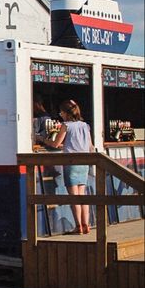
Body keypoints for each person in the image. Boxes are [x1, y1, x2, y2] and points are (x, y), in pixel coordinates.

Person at [44, 99, 92, 234]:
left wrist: (41, 139)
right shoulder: (85, 125)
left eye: (61, 112)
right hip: (84, 163)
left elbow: (55, 144)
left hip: (71, 163)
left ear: (66, 113)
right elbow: (90, 146)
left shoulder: (66, 126)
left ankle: (78, 227)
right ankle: (86, 224)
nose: (60, 114)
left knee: (74, 197)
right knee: (82, 195)